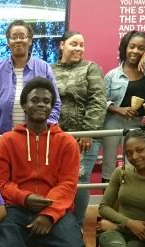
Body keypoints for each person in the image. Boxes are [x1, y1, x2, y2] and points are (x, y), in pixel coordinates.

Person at [0, 77, 86, 247]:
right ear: (24, 105)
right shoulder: (8, 141)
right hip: (15, 209)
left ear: (52, 105)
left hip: (56, 212)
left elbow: (67, 184)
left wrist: (47, 213)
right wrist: (25, 198)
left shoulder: (66, 142)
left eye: (46, 101)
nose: (41, 104)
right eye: (35, 100)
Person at [51, 30, 106, 226]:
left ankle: (77, 226)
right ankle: (59, 222)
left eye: (81, 45)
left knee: (80, 180)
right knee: (57, 179)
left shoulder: (91, 68)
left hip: (85, 137)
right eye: (74, 44)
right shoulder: (50, 69)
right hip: (56, 136)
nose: (78, 48)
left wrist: (88, 131)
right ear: (62, 44)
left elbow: (97, 101)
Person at [0, 20, 61, 142]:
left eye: (22, 36)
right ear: (8, 42)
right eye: (14, 37)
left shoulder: (44, 68)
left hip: (36, 138)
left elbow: (55, 103)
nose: (18, 40)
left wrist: (48, 125)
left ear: (30, 40)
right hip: (4, 138)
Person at [101, 31, 145, 184]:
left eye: (141, 48)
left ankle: (130, 198)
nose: (135, 51)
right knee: (109, 163)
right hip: (113, 122)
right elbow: (102, 100)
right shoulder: (113, 75)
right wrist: (119, 109)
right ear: (125, 48)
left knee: (134, 163)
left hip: (137, 123)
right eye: (132, 47)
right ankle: (109, 199)